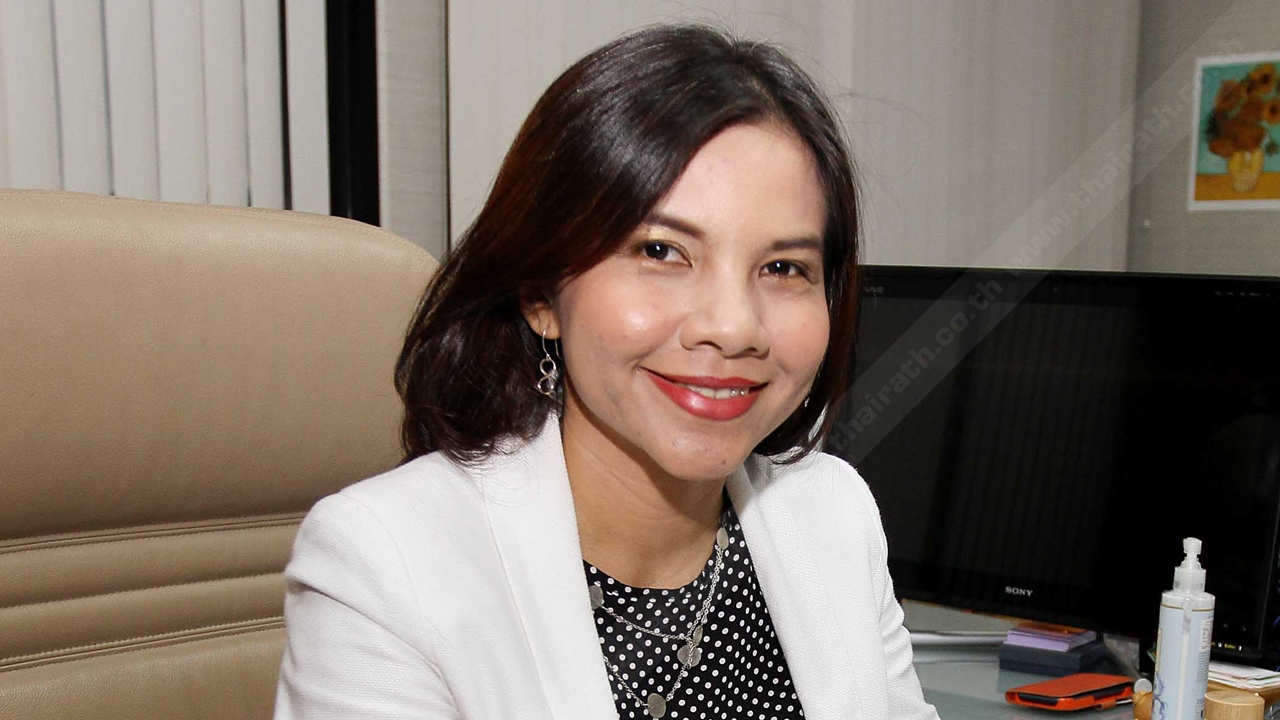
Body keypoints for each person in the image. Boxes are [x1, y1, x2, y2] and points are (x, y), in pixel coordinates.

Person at [274, 23, 939, 720]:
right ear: (540, 295)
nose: (734, 326)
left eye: (782, 267)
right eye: (661, 252)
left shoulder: (833, 512)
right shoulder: (386, 563)